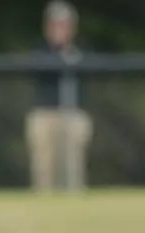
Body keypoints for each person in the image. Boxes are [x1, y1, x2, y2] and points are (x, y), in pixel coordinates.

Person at [25, 1, 92, 192]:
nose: (59, 29)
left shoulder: (80, 50)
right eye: (55, 24)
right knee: (43, 168)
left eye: (64, 24)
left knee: (73, 168)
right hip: (45, 113)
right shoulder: (38, 50)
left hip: (73, 113)